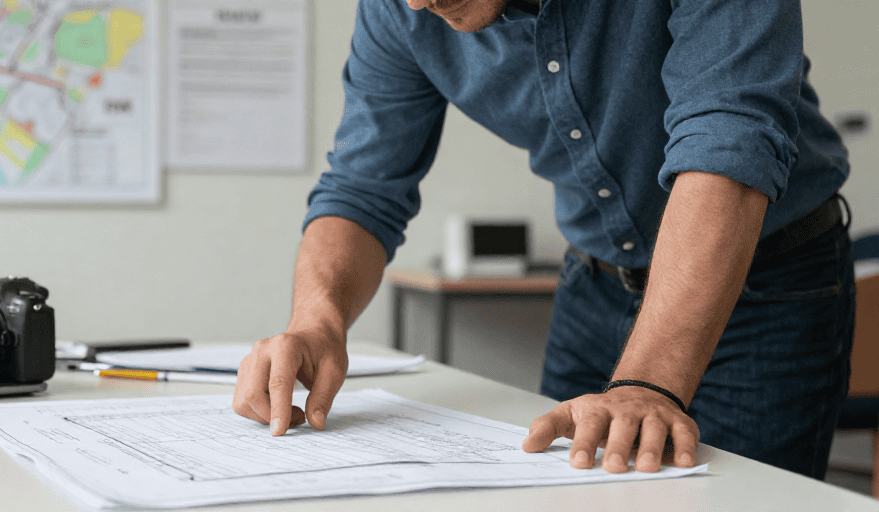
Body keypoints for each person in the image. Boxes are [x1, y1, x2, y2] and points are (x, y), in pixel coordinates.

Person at [231, 0, 854, 479]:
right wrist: (318, 320)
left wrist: (648, 383)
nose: (416, 4)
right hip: (593, 285)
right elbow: (363, 187)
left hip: (769, 286)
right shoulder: (400, 8)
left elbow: (729, 140)